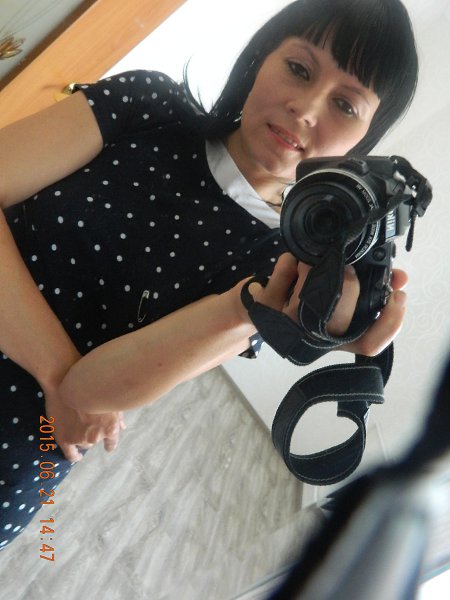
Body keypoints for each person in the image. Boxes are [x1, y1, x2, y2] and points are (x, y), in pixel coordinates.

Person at [0, 0, 417, 551]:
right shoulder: (148, 105)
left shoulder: (280, 268)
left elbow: (91, 390)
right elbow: (73, 392)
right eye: (299, 68)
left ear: (364, 140)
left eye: (345, 104)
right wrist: (55, 377)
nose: (306, 107)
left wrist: (259, 310)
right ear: (261, 57)